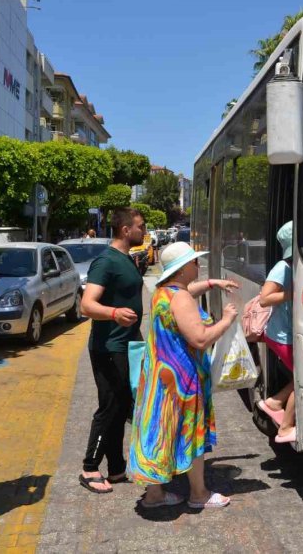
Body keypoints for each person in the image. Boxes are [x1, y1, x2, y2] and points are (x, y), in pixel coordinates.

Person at [128, 241, 239, 509]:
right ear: (181, 269)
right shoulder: (181, 299)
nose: (197, 265)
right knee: (191, 433)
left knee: (159, 429)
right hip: (183, 381)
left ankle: (154, 495)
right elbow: (200, 339)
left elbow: (187, 290)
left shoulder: (162, 293)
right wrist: (226, 320)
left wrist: (212, 283)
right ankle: (199, 494)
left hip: (159, 376)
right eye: (193, 263)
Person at [77, 208, 147, 494]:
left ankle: (116, 467)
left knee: (121, 406)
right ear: (125, 230)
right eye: (141, 226)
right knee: (110, 406)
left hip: (126, 344)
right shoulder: (106, 261)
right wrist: (115, 312)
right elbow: (87, 305)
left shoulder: (125, 258)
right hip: (109, 347)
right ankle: (89, 467)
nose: (145, 231)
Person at [256, 221, 296, 443]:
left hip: (286, 334)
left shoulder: (295, 265)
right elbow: (265, 299)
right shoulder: (283, 267)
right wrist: (291, 293)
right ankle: (285, 428)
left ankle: (274, 403)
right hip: (282, 336)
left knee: (301, 377)